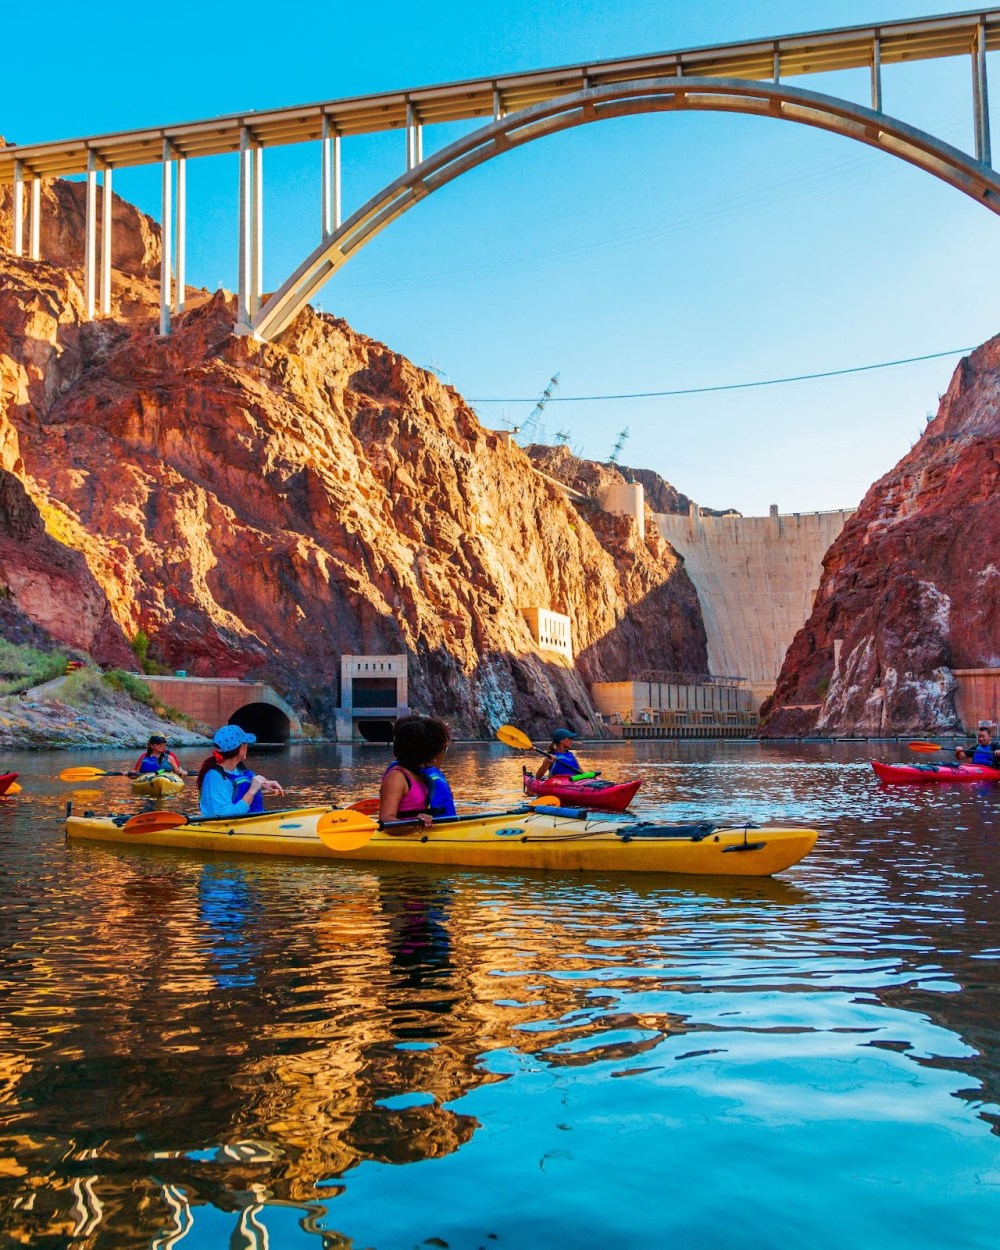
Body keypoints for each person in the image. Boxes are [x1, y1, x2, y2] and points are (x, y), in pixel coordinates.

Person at [379, 715, 456, 829]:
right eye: (436, 748)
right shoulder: (397, 778)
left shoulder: (427, 772)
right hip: (413, 837)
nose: (438, 753)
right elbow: (386, 820)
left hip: (442, 832)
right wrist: (414, 824)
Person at [197, 725, 284, 818]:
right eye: (245, 743)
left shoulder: (238, 768)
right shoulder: (214, 778)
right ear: (240, 748)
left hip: (250, 823)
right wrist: (251, 791)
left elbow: (243, 782)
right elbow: (225, 816)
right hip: (225, 827)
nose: (247, 746)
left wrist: (264, 783)